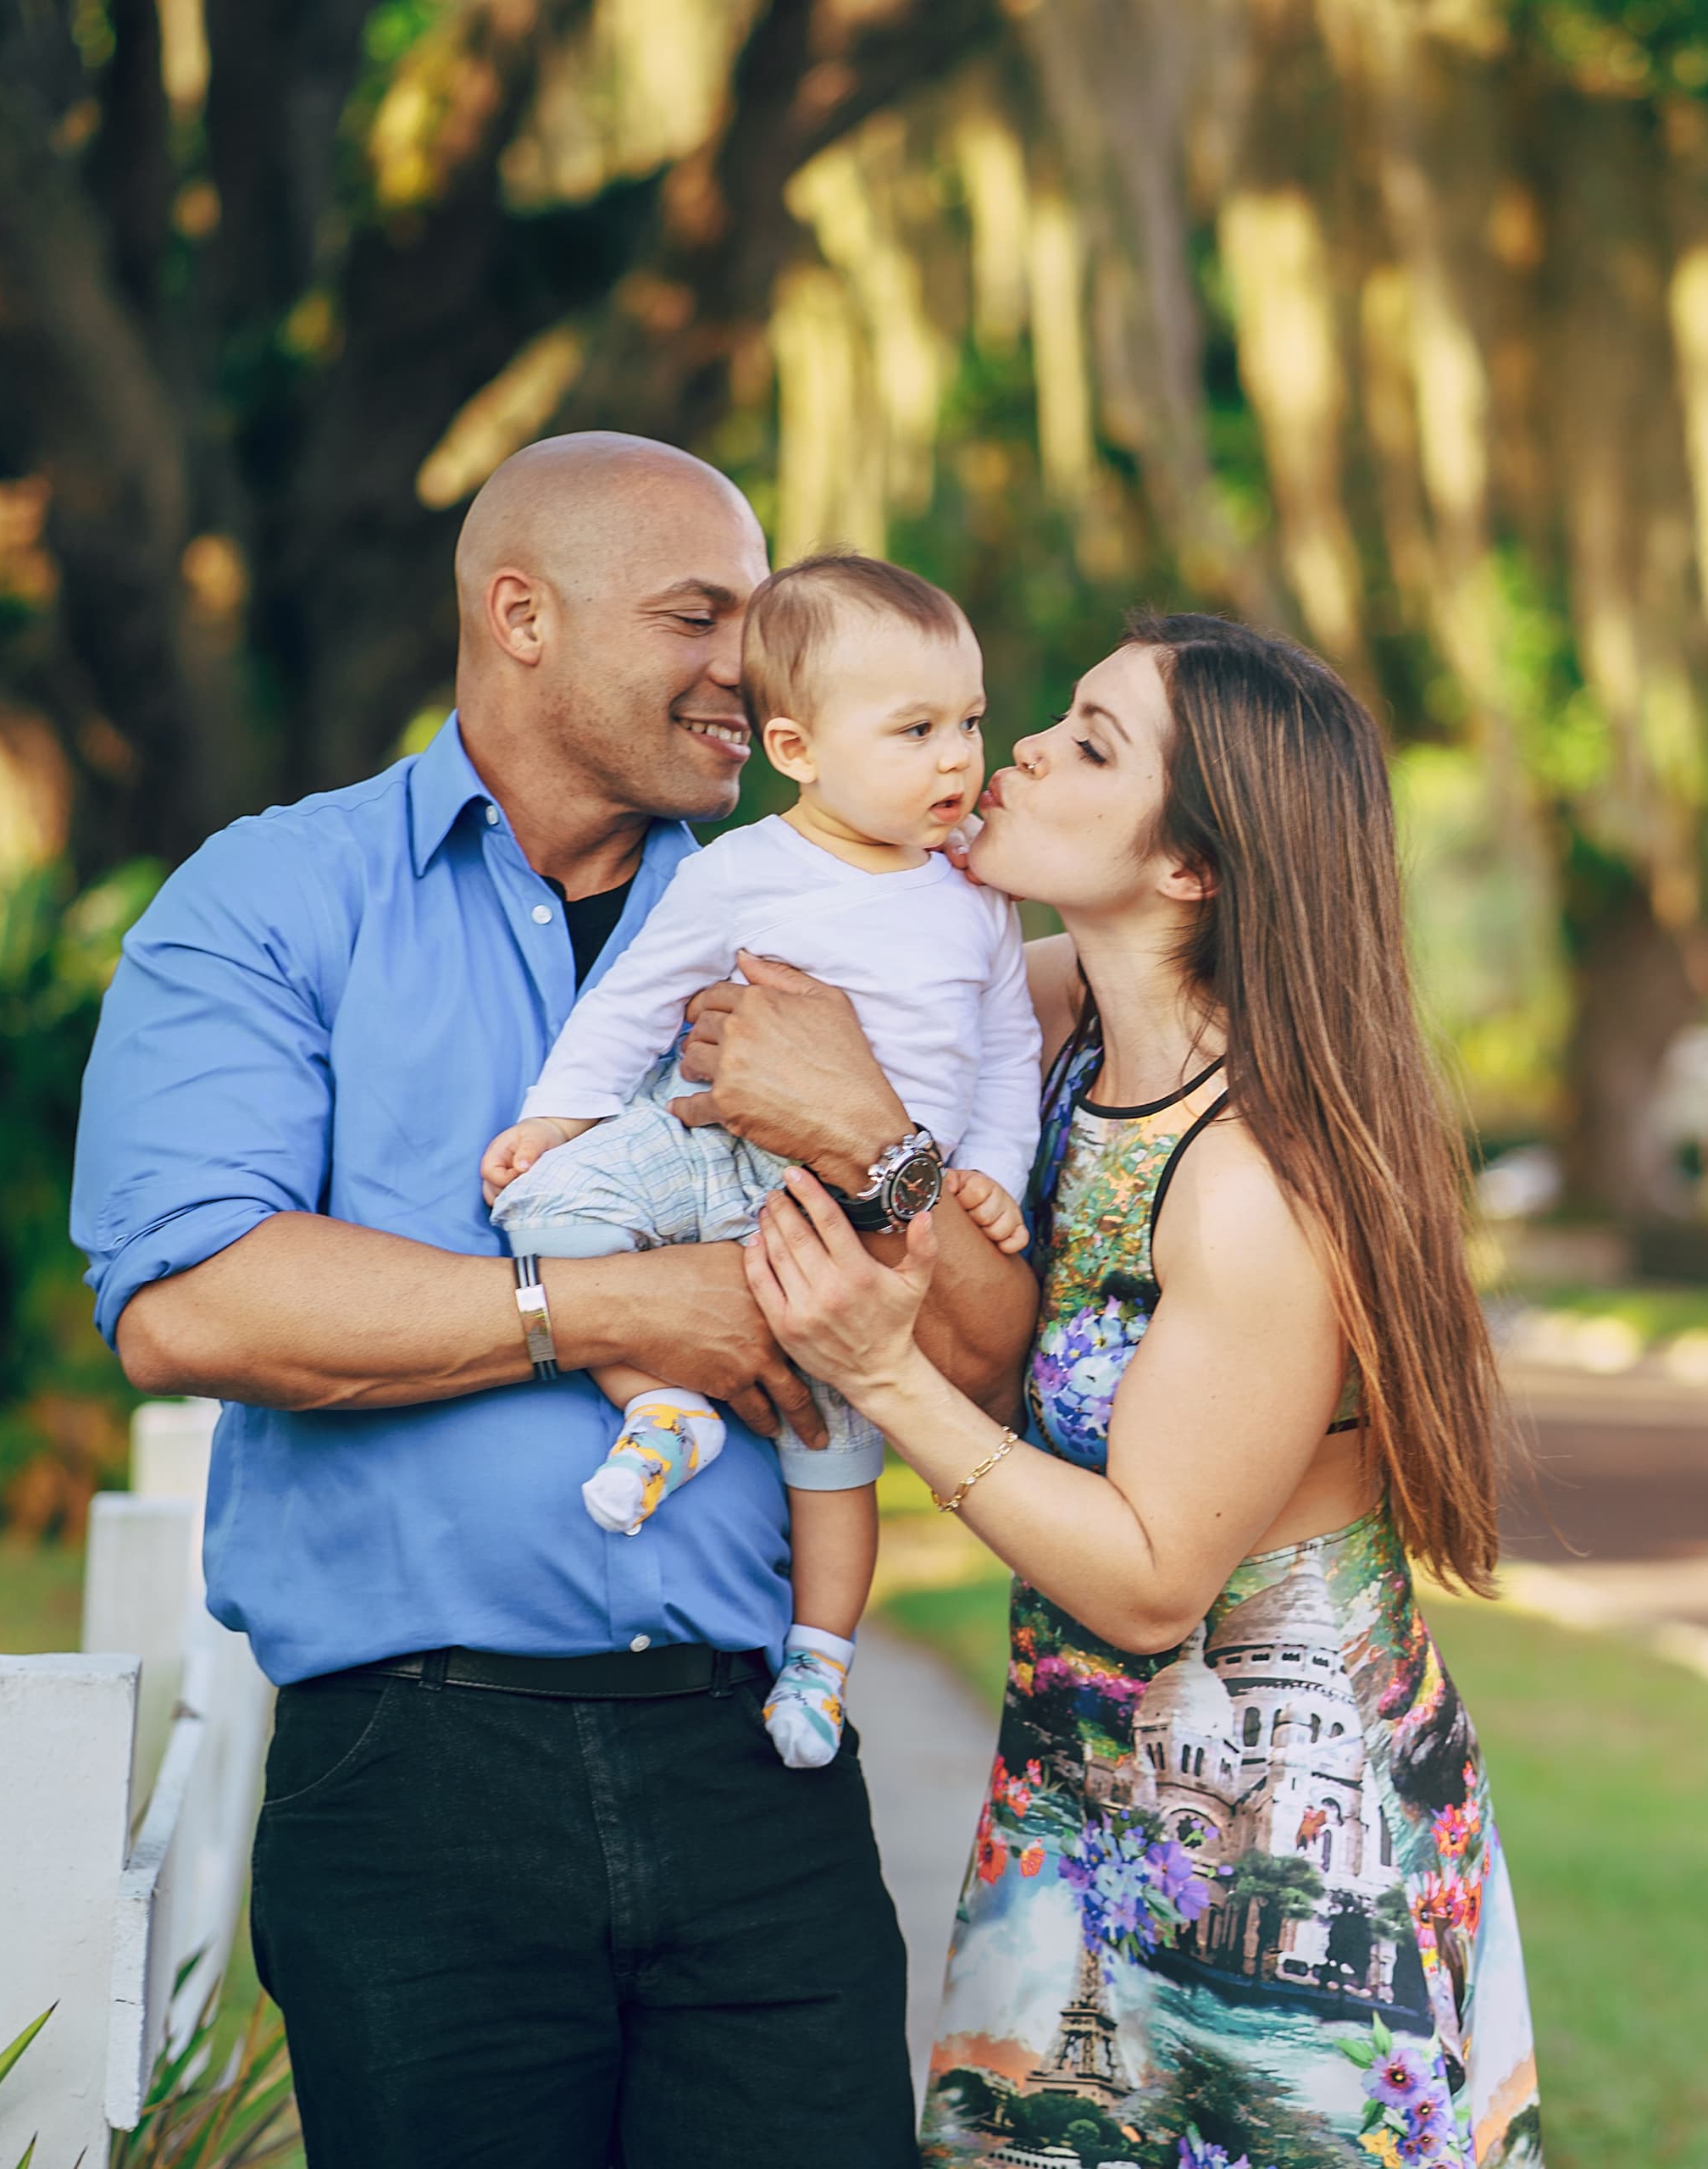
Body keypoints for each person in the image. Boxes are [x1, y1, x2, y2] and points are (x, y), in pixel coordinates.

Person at [69, 433, 1034, 2169]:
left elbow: (981, 1351)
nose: (751, 660)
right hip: (417, 1775)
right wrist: (610, 1306)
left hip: (763, 1768)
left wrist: (868, 1129)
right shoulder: (271, 900)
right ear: (520, 614)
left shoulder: (832, 908)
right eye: (697, 614)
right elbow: (194, 1303)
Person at [738, 615, 1548, 2167]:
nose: (1020, 748)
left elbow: (1149, 1575)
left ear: (1193, 868)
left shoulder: (1247, 1177)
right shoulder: (1058, 1029)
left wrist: (884, 1377)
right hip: (1080, 1811)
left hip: (1284, 1870)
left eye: (1092, 745)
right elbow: (857, 975)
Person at [479, 549, 1040, 1770]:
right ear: (797, 751)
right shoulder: (742, 874)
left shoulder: (978, 900)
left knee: (834, 1454)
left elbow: (1007, 1051)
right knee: (543, 1209)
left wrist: (992, 1163)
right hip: (717, 1168)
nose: (959, 757)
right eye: (915, 730)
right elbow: (635, 1002)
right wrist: (562, 1114)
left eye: (970, 722)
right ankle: (663, 1409)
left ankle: (821, 1664)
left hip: (858, 1224)